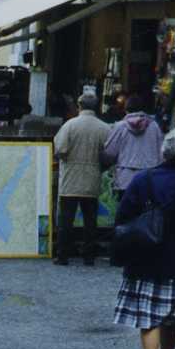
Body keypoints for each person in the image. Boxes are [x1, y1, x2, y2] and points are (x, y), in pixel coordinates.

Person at [112, 125, 175, 349]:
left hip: (145, 257)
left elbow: (122, 217)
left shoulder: (144, 179)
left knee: (149, 319)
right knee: (171, 317)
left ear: (164, 152)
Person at [53, 87, 110, 265]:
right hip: (92, 177)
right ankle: (89, 256)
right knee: (90, 221)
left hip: (70, 178)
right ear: (96, 107)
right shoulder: (104, 128)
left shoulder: (69, 125)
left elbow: (60, 150)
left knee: (66, 220)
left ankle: (63, 255)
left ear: (79, 106)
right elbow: (109, 154)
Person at [104, 94, 164, 194]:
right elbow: (161, 154)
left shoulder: (120, 126)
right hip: (148, 179)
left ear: (126, 109)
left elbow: (110, 152)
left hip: (124, 179)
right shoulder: (154, 126)